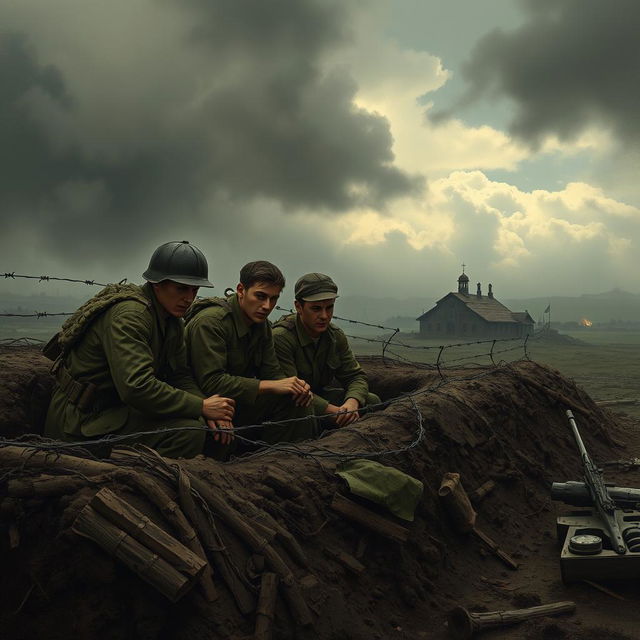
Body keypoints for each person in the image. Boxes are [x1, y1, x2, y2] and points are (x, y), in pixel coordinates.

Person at [43, 240, 235, 458]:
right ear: (157, 284)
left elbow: (179, 375)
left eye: (195, 289)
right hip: (81, 420)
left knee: (209, 429)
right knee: (188, 433)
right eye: (181, 288)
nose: (189, 298)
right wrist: (200, 406)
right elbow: (136, 386)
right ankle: (125, 483)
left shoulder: (170, 319)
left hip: (116, 411)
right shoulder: (131, 316)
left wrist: (210, 410)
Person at [184, 261, 314, 445]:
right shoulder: (211, 322)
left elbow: (272, 373)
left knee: (295, 401)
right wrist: (271, 385)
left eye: (273, 298)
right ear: (241, 290)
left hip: (235, 400)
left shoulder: (262, 326)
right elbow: (211, 382)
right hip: (201, 399)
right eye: (260, 296)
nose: (267, 306)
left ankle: (284, 461)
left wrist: (295, 387)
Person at [272, 273, 380, 428]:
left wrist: (352, 403)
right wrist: (334, 411)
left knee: (371, 401)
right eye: (316, 308)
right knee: (302, 412)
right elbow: (292, 392)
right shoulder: (282, 338)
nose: (324, 316)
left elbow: (355, 376)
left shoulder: (334, 336)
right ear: (298, 307)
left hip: (320, 397)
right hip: (291, 405)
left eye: (329, 307)